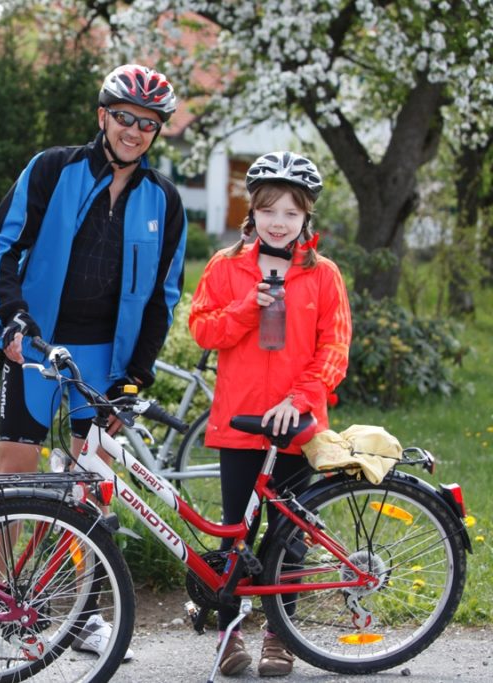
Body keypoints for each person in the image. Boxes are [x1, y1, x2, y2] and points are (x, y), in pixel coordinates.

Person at [0, 63, 187, 657]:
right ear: (103, 116)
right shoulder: (52, 168)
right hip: (39, 349)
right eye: (124, 117)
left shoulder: (164, 201)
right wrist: (14, 320)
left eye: (147, 124)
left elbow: (162, 298)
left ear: (156, 132)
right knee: (13, 479)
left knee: (86, 489)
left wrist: (135, 378)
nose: (134, 130)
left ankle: (84, 611)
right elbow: (1, 246)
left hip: (104, 361)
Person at [188, 151, 352, 678]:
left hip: (295, 426)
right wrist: (247, 307)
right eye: (268, 210)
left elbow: (334, 349)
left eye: (291, 212)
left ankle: (280, 637)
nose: (278, 222)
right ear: (251, 212)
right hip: (238, 421)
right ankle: (229, 633)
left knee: (289, 533)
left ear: (306, 218)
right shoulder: (226, 265)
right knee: (234, 532)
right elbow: (203, 330)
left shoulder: (324, 275)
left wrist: (298, 401)